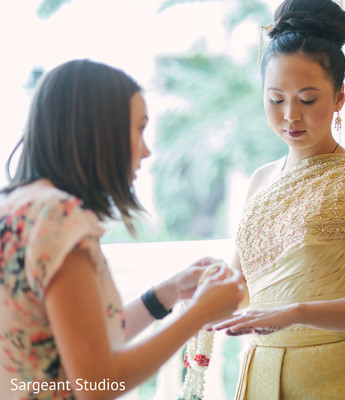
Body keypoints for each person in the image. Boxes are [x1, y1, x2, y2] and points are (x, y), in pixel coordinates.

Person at [208, 0, 345, 399]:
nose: (291, 115)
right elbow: (239, 288)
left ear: (340, 96)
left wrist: (296, 314)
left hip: (337, 376)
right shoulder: (260, 181)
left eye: (308, 100)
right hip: (260, 372)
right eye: (276, 99)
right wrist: (197, 298)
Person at [0, 59, 243, 400]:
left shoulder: (16, 207)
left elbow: (85, 340)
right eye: (140, 129)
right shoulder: (60, 217)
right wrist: (199, 314)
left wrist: (168, 293)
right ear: (100, 132)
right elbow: (96, 383)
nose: (146, 151)